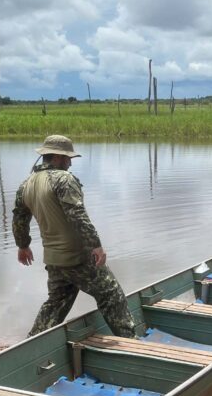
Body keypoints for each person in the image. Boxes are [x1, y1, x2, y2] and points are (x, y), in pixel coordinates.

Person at [12, 135, 140, 338]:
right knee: (111, 294)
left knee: (56, 304)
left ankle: (32, 345)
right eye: (67, 158)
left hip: (54, 259)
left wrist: (23, 245)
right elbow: (78, 216)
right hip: (77, 257)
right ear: (57, 157)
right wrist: (96, 245)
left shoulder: (26, 184)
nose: (70, 162)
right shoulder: (64, 180)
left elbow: (19, 218)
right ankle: (130, 341)